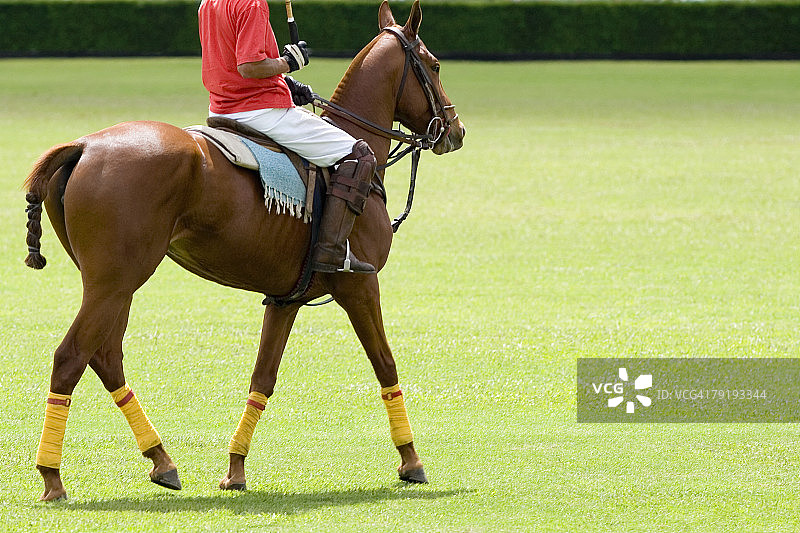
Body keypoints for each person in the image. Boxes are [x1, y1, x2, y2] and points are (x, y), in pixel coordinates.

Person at [198, 0, 376, 274]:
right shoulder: (252, 4)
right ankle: (331, 252)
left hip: (222, 107)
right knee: (359, 155)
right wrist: (288, 63)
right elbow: (248, 66)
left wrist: (284, 84)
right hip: (258, 111)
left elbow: (227, 63)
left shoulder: (208, 2)